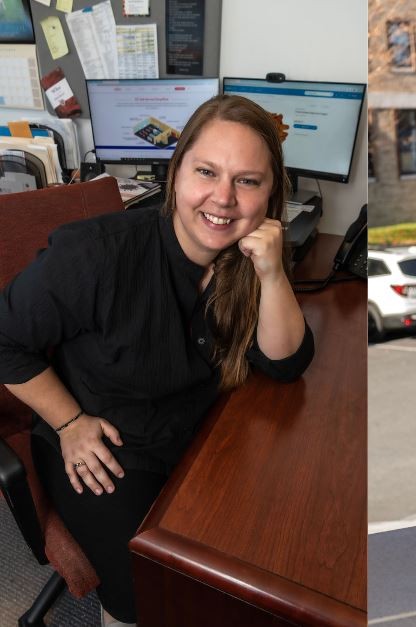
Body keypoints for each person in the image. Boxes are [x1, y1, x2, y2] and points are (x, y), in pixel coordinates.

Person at [0, 95, 314, 625]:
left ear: (271, 194)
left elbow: (284, 364)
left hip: (198, 434)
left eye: (248, 181)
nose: (223, 198)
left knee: (273, 557)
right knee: (151, 596)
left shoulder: (244, 262)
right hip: (106, 447)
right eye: (207, 172)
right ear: (176, 174)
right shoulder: (96, 253)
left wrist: (272, 272)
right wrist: (70, 423)